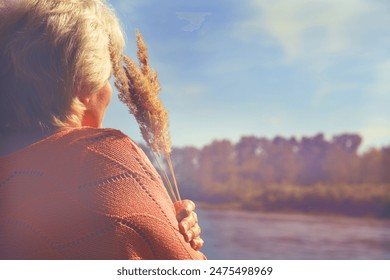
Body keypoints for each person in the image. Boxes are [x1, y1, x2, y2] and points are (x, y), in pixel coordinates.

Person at [0, 0, 205, 259]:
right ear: (83, 83)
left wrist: (162, 216)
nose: (108, 91)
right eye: (107, 79)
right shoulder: (105, 158)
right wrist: (186, 246)